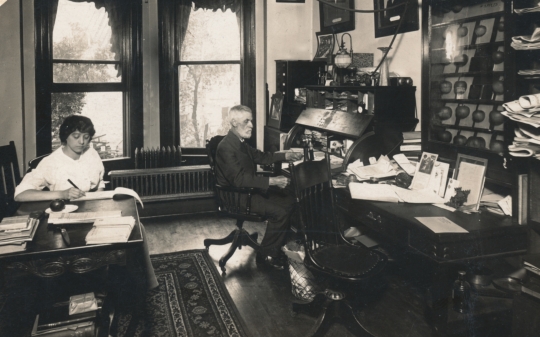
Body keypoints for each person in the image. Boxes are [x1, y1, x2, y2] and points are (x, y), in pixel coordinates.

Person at [14, 115, 158, 289]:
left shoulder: (91, 153)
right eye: (76, 136)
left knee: (135, 228)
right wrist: (62, 193)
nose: (82, 141)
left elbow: (98, 184)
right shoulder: (50, 162)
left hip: (93, 211)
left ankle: (141, 284)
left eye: (86, 137)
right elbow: (20, 194)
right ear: (65, 136)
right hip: (66, 221)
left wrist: (101, 199)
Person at [215, 105, 304, 270]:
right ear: (234, 122)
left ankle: (275, 246)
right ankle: (267, 255)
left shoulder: (239, 142)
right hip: (238, 197)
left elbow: (262, 157)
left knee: (289, 200)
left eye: (251, 121)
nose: (251, 125)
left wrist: (285, 154)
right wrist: (272, 181)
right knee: (281, 212)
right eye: (246, 121)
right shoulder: (226, 147)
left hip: (249, 191)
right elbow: (239, 180)